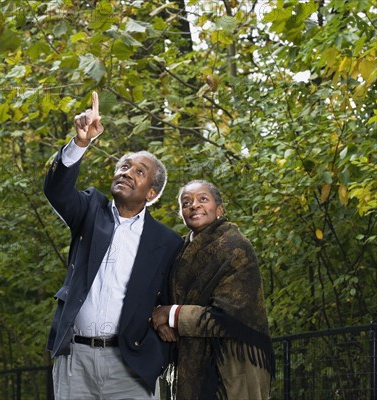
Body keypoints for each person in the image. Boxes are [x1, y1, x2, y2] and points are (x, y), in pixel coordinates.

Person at [44, 91, 183, 399]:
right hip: (75, 360)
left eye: (138, 171)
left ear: (151, 193)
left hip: (131, 365)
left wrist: (159, 344)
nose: (126, 172)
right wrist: (80, 143)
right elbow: (56, 190)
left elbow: (173, 299)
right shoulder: (90, 211)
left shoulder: (167, 242)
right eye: (124, 166)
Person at [151, 180, 274, 400]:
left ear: (219, 209)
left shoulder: (234, 247)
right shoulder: (179, 251)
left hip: (232, 364)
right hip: (187, 361)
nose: (194, 205)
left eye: (202, 199)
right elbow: (160, 295)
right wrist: (160, 318)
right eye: (186, 202)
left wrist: (170, 315)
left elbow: (227, 317)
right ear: (181, 213)